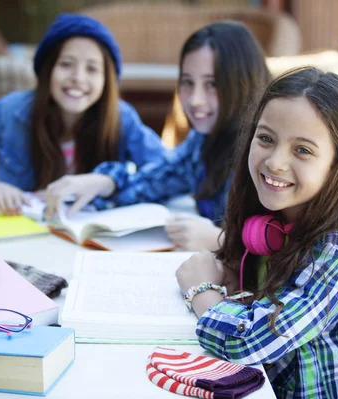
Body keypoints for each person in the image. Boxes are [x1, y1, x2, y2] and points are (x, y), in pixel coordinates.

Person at [175, 67, 338, 398]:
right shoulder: (277, 223)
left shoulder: (337, 257)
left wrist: (201, 291)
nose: (275, 162)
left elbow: (251, 342)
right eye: (266, 139)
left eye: (302, 150)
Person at [80, 21, 271, 251]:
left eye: (212, 84)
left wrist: (222, 240)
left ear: (244, 83)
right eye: (188, 82)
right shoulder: (202, 141)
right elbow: (153, 181)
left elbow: (291, 244)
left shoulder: (266, 149)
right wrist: (107, 181)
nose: (194, 100)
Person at [0, 13, 167, 215]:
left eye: (92, 69)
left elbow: (168, 173)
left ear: (107, 80)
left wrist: (107, 181)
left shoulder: (122, 119)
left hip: (91, 238)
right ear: (48, 69)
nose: (78, 78)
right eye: (66, 64)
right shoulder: (7, 113)